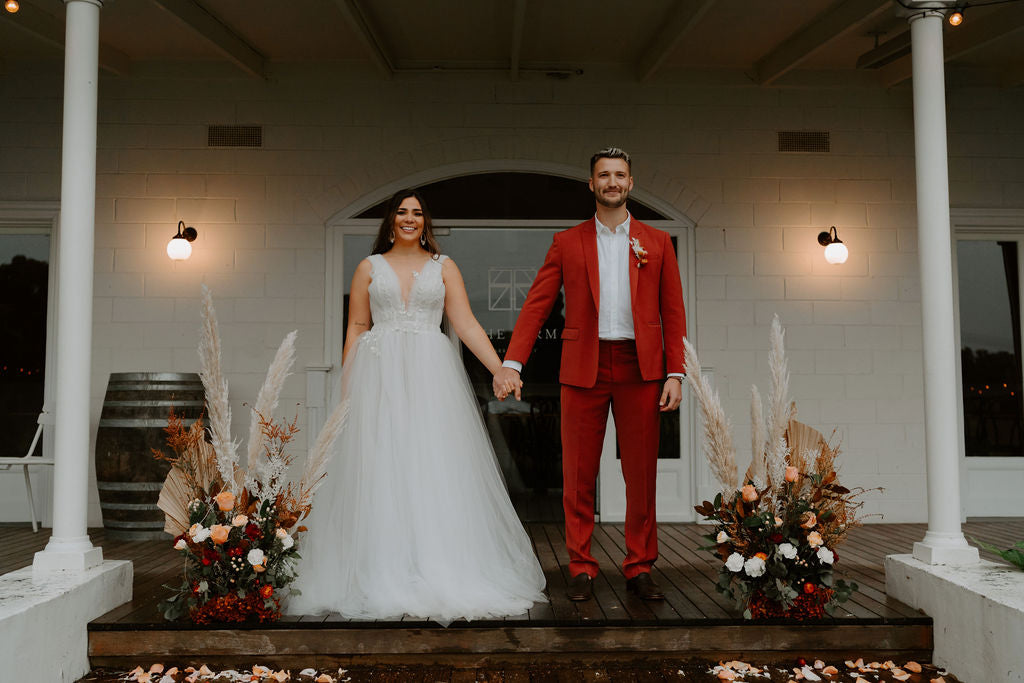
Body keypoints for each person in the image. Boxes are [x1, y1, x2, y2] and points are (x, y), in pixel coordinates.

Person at [288, 189, 546, 624]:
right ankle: (382, 568)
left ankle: (438, 566)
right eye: (402, 212)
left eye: (418, 213)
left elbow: (464, 322)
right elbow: (356, 325)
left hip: (431, 376)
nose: (410, 218)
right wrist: (348, 389)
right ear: (390, 220)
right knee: (383, 468)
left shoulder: (443, 267)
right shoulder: (368, 267)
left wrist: (501, 368)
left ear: (426, 222)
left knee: (433, 466)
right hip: (379, 377)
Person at [493, 148, 687, 602]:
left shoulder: (657, 243)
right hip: (584, 365)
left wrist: (675, 372)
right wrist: (513, 361)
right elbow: (538, 303)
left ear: (631, 183)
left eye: (620, 175)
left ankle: (640, 566)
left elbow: (672, 312)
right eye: (604, 175)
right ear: (591, 184)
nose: (612, 182)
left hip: (642, 369)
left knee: (641, 475)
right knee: (577, 473)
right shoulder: (568, 241)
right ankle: (580, 565)